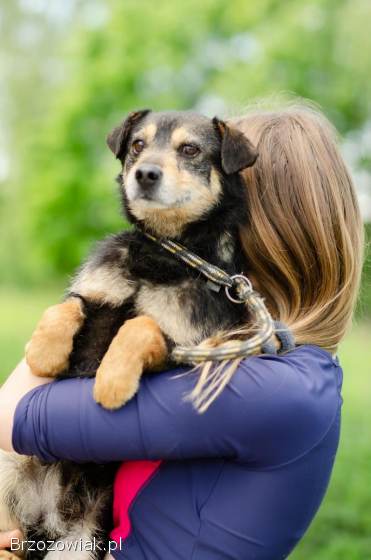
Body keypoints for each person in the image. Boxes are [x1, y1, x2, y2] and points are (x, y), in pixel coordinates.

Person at [0, 103, 364, 559]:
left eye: (195, 156)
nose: (155, 167)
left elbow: (15, 417)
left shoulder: (274, 389)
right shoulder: (271, 366)